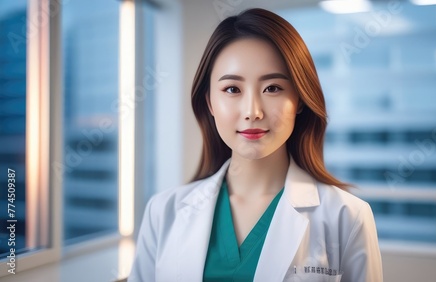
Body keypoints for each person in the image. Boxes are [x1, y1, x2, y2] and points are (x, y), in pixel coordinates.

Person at [129, 8, 383, 282]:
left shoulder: (347, 217)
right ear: (209, 103)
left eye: (272, 88)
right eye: (232, 89)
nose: (253, 111)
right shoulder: (163, 212)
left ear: (298, 100)